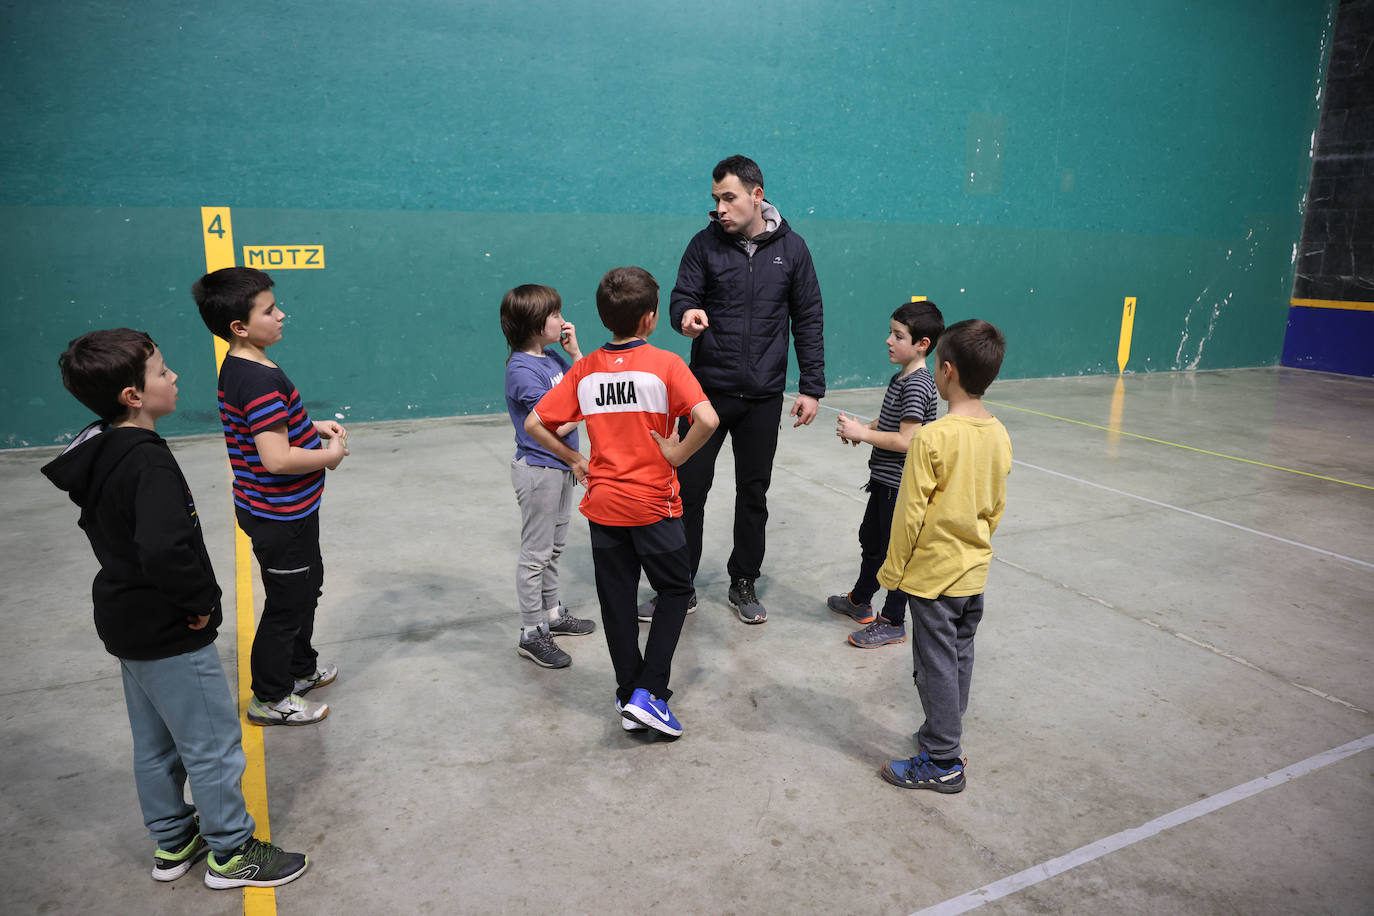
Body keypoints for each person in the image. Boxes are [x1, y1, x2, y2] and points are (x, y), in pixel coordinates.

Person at [41, 328, 309, 888]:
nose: (174, 376)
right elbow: (165, 548)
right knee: (212, 745)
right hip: (170, 626)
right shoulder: (148, 463)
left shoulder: (102, 449)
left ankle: (173, 838)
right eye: (162, 371)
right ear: (132, 395)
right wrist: (199, 603)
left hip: (127, 619)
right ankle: (232, 851)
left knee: (155, 742)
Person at [525, 266, 719, 736]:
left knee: (617, 602)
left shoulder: (585, 369)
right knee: (676, 591)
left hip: (604, 506)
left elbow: (535, 423)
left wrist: (575, 458)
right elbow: (708, 421)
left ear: (603, 316)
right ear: (650, 318)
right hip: (654, 507)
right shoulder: (667, 365)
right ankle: (649, 693)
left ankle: (628, 692)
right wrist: (676, 454)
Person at [644, 154, 825, 626]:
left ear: (756, 195)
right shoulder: (704, 244)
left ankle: (743, 580)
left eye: (729, 198)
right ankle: (678, 585)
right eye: (715, 199)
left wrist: (811, 387)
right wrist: (685, 315)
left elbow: (808, 318)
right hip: (705, 395)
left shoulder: (793, 249)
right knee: (688, 490)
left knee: (753, 494)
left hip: (763, 396)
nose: (720, 209)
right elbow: (683, 296)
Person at [192, 267, 346, 727]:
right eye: (269, 310)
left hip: (290, 510)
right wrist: (329, 455)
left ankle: (299, 668)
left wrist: (309, 426)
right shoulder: (257, 378)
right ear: (239, 327)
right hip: (278, 517)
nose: (281, 315)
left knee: (306, 588)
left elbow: (263, 426)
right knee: (287, 603)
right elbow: (276, 459)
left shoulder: (248, 365)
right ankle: (271, 696)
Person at [875, 319, 1012, 793]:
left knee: (934, 664)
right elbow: (995, 507)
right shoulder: (999, 432)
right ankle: (944, 728)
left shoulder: (932, 438)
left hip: (934, 578)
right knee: (959, 655)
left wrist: (893, 572)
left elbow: (909, 515)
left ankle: (943, 759)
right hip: (974, 573)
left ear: (947, 370)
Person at [829, 300, 944, 648]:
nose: (888, 341)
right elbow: (893, 421)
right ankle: (860, 600)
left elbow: (907, 440)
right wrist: (864, 428)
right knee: (872, 541)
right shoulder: (902, 378)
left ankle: (893, 620)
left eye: (898, 336)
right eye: (890, 333)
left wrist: (863, 435)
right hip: (884, 480)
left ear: (922, 344)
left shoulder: (917, 384)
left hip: (900, 486)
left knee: (896, 553)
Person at [500, 283, 597, 668]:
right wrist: (586, 412)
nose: (562, 320)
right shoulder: (521, 370)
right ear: (534, 325)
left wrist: (574, 354)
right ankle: (531, 632)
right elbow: (551, 425)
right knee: (535, 554)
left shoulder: (554, 357)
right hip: (539, 470)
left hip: (559, 467)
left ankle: (552, 613)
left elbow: (585, 384)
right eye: (555, 315)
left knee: (554, 547)